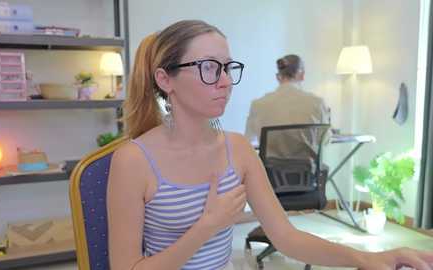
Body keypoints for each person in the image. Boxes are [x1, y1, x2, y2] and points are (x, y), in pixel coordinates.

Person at [107, 20, 433, 270]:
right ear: (165, 80)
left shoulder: (238, 150)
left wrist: (366, 259)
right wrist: (207, 226)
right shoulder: (132, 161)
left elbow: (287, 238)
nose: (224, 80)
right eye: (209, 67)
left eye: (228, 67)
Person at [244, 54, 330, 160]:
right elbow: (325, 139)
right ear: (302, 74)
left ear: (278, 76)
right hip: (306, 173)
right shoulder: (317, 102)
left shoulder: (257, 104)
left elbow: (248, 140)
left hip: (269, 174)